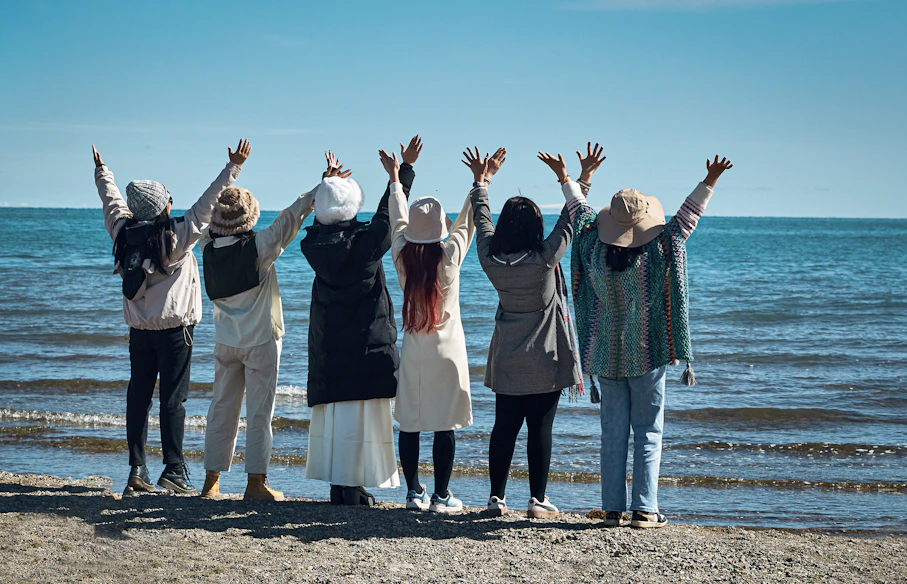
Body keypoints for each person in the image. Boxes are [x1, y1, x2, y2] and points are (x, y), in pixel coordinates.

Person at [567, 143, 733, 528]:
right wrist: (709, 180)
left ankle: (612, 510)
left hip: (605, 354)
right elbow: (687, 218)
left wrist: (572, 178)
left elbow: (579, 212)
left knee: (612, 433)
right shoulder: (662, 246)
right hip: (647, 354)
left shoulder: (592, 244)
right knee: (648, 432)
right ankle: (644, 510)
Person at [92, 139, 251, 494]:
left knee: (138, 398)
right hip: (175, 332)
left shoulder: (122, 233)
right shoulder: (176, 237)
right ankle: (174, 470)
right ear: (163, 206)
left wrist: (103, 172)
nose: (172, 203)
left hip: (139, 332)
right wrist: (234, 168)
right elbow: (209, 203)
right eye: (168, 199)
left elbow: (112, 201)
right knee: (172, 401)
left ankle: (137, 469)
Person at [198, 153, 347, 501]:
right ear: (248, 220)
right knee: (259, 413)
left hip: (225, 341)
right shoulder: (260, 247)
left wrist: (228, 178)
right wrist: (323, 183)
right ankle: (255, 483)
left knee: (221, 408)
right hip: (262, 339)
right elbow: (293, 216)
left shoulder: (205, 247)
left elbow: (204, 216)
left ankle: (211, 481)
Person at [300, 141, 422, 505]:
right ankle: (352, 488)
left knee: (337, 415)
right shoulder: (365, 245)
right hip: (365, 343)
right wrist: (401, 173)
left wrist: (326, 184)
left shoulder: (314, 245)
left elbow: (340, 217)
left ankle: (342, 486)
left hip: (328, 344)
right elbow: (389, 215)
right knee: (360, 416)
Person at [466, 146, 583, 518]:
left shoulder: (489, 259)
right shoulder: (545, 260)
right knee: (540, 429)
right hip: (545, 359)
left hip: (507, 359)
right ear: (534, 229)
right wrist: (575, 178)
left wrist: (482, 180)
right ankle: (537, 499)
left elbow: (481, 218)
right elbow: (572, 218)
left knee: (504, 428)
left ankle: (495, 499)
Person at [380, 138, 475, 513]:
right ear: (439, 230)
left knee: (411, 422)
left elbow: (397, 221)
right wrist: (479, 183)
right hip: (447, 351)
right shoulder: (449, 258)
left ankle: (413, 493)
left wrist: (395, 180)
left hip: (416, 350)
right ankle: (440, 495)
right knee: (444, 424)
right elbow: (467, 224)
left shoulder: (402, 256)